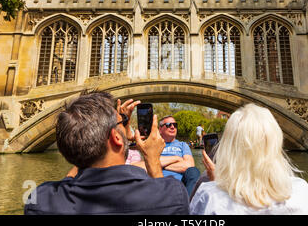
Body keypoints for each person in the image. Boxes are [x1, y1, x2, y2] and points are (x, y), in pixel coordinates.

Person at [24, 92, 190, 215]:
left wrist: (83, 139)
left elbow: (71, 175)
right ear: (116, 138)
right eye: (122, 122)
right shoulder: (172, 195)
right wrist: (152, 159)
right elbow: (165, 200)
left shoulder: (40, 200)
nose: (126, 126)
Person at [190, 103, 308, 215]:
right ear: (277, 142)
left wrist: (216, 182)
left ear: (227, 146)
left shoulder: (209, 196)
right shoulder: (301, 191)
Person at [132, 115, 200, 196]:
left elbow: (189, 165)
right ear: (160, 129)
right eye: (168, 125)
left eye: (175, 125)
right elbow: (136, 166)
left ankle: (189, 205)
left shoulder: (183, 145)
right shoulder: (153, 144)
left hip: (179, 184)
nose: (172, 127)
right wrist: (177, 158)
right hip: (156, 183)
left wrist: (156, 163)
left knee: (194, 171)